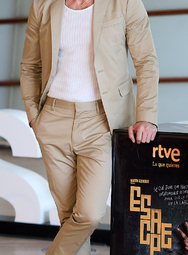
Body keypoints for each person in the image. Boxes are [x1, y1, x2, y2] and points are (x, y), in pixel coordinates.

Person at [20, 0, 158, 254]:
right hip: (53, 118)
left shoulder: (125, 3)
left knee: (89, 215)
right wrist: (33, 116)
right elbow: (30, 66)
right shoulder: (43, 5)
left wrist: (146, 116)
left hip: (102, 121)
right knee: (68, 217)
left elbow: (146, 61)